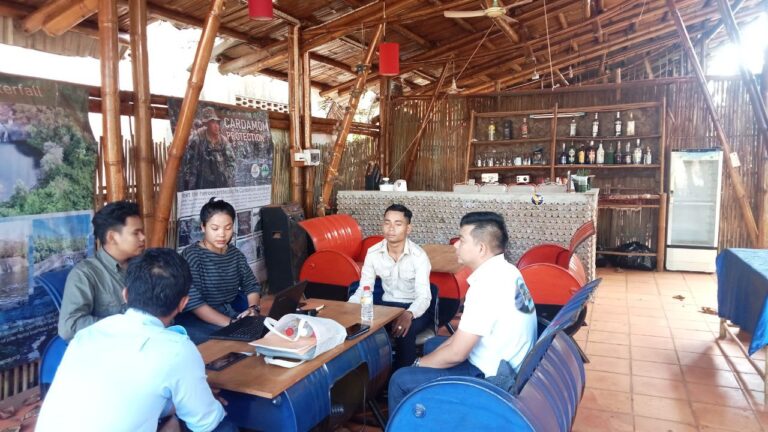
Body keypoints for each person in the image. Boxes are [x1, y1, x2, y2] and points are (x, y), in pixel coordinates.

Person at [36, 248, 237, 432]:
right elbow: (206, 423)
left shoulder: (87, 334)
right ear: (183, 303)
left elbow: (124, 397)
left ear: (125, 294)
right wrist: (201, 400)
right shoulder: (177, 349)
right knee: (223, 427)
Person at [387, 211, 537, 410]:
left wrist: (416, 364)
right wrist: (423, 361)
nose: (456, 245)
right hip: (508, 363)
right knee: (432, 345)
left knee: (400, 380)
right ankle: (434, 413)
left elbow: (457, 353)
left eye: (462, 240)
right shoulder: (508, 270)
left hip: (493, 379)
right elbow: (462, 337)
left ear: (481, 248)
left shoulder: (486, 285)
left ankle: (411, 420)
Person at [349, 204, 432, 369]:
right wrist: (348, 308)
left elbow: (424, 297)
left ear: (408, 229)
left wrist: (409, 314)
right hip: (386, 306)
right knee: (362, 330)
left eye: (398, 224)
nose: (391, 228)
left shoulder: (419, 256)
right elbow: (364, 288)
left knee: (404, 331)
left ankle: (404, 375)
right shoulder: (373, 253)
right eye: (387, 223)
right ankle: (376, 376)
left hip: (414, 308)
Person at [176, 198, 262, 344]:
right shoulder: (192, 256)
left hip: (228, 311)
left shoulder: (235, 254)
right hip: (197, 318)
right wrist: (231, 323)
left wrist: (253, 309)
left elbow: (251, 285)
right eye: (215, 229)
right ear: (203, 227)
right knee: (219, 343)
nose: (222, 234)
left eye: (228, 228)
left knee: (259, 330)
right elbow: (194, 303)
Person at [58, 201, 145, 341]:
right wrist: (125, 326)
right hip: (112, 348)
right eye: (136, 233)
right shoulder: (85, 274)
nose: (143, 237)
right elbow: (69, 327)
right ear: (112, 237)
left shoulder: (146, 266)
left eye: (142, 232)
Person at [179, 106, 235, 191]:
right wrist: (189, 179)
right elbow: (189, 159)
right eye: (213, 123)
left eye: (217, 123)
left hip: (220, 179)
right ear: (207, 124)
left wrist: (227, 175)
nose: (216, 126)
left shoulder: (223, 140)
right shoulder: (198, 138)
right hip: (202, 180)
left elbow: (231, 161)